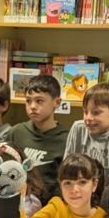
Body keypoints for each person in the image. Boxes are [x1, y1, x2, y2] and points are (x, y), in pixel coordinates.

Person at [64, 81, 109, 211]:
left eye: (96, 112)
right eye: (85, 112)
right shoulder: (78, 129)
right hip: (82, 210)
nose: (88, 118)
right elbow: (67, 171)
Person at [18, 153, 109, 218]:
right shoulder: (56, 208)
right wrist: (21, 198)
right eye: (68, 183)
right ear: (60, 185)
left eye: (82, 182)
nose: (74, 190)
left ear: (94, 184)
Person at [7, 73, 67, 202]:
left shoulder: (66, 139)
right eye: (28, 101)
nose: (32, 106)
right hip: (16, 202)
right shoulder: (16, 132)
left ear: (57, 102)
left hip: (50, 207)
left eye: (39, 101)